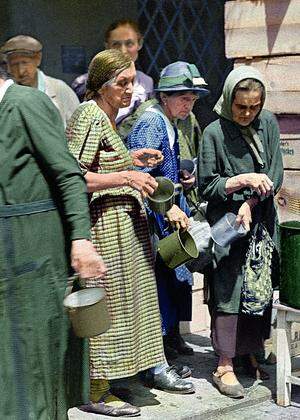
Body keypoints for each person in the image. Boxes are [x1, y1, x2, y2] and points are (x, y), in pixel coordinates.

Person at [67, 49, 195, 417]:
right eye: (121, 83)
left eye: (133, 81)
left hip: (126, 229)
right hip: (104, 228)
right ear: (100, 85)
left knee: (130, 308)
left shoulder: (109, 117)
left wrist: (131, 157)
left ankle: (122, 379)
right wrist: (126, 176)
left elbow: (101, 161)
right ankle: (95, 391)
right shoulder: (89, 114)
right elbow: (73, 175)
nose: (130, 89)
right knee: (106, 310)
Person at [0, 65, 107, 419]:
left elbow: (68, 175)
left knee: (35, 361)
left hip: (34, 253)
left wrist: (81, 240)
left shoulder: (25, 104)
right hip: (8, 256)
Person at [198, 66, 283, 398]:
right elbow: (208, 186)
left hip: (261, 221)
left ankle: (251, 352)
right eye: (241, 107)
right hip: (228, 227)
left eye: (254, 107)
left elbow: (274, 173)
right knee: (229, 288)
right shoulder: (214, 133)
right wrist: (241, 181)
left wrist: (252, 201)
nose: (247, 113)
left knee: (258, 287)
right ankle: (225, 363)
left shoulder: (269, 125)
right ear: (229, 100)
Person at [127, 61, 210, 360]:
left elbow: (165, 168)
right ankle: (158, 351)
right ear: (164, 96)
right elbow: (143, 178)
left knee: (177, 275)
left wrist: (181, 178)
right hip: (155, 213)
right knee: (160, 280)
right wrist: (167, 208)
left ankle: (172, 338)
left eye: (192, 99)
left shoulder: (169, 120)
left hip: (172, 206)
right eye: (183, 98)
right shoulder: (151, 122)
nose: (189, 104)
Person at [71, 18, 153, 124]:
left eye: (129, 44)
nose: (123, 50)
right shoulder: (83, 82)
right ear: (107, 46)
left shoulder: (146, 83)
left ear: (139, 44)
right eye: (116, 44)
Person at [1, 35, 79, 126]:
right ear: (8, 67)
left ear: (38, 59)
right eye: (15, 64)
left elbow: (79, 128)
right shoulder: (4, 93)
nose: (21, 71)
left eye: (25, 63)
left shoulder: (59, 89)